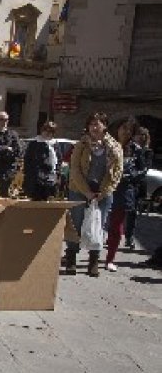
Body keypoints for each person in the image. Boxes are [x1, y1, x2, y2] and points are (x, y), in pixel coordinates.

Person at [63, 112, 123, 277]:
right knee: (75, 225)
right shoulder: (81, 144)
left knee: (99, 226)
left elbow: (117, 172)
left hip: (103, 193)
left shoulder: (115, 147)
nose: (94, 128)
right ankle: (71, 260)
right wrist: (87, 192)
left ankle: (93, 262)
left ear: (105, 126)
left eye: (97, 124)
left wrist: (104, 192)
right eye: (91, 124)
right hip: (80, 190)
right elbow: (74, 169)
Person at [104, 118, 147, 272]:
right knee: (98, 223)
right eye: (124, 128)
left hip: (123, 191)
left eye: (130, 130)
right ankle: (93, 256)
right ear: (117, 128)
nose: (126, 132)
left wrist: (130, 176)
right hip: (105, 188)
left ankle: (110, 259)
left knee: (116, 226)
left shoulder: (135, 149)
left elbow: (142, 170)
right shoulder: (108, 144)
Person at [125, 127, 152, 249]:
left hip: (138, 185)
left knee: (132, 212)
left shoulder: (147, 151)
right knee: (120, 211)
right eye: (139, 134)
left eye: (144, 135)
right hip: (126, 184)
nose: (141, 137)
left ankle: (129, 237)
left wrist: (140, 152)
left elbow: (145, 168)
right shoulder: (129, 148)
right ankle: (114, 236)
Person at [22, 121, 60, 201]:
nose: (48, 133)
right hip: (37, 181)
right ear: (42, 131)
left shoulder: (55, 144)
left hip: (51, 180)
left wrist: (57, 175)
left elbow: (59, 160)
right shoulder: (35, 143)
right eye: (46, 130)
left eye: (51, 131)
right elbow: (28, 161)